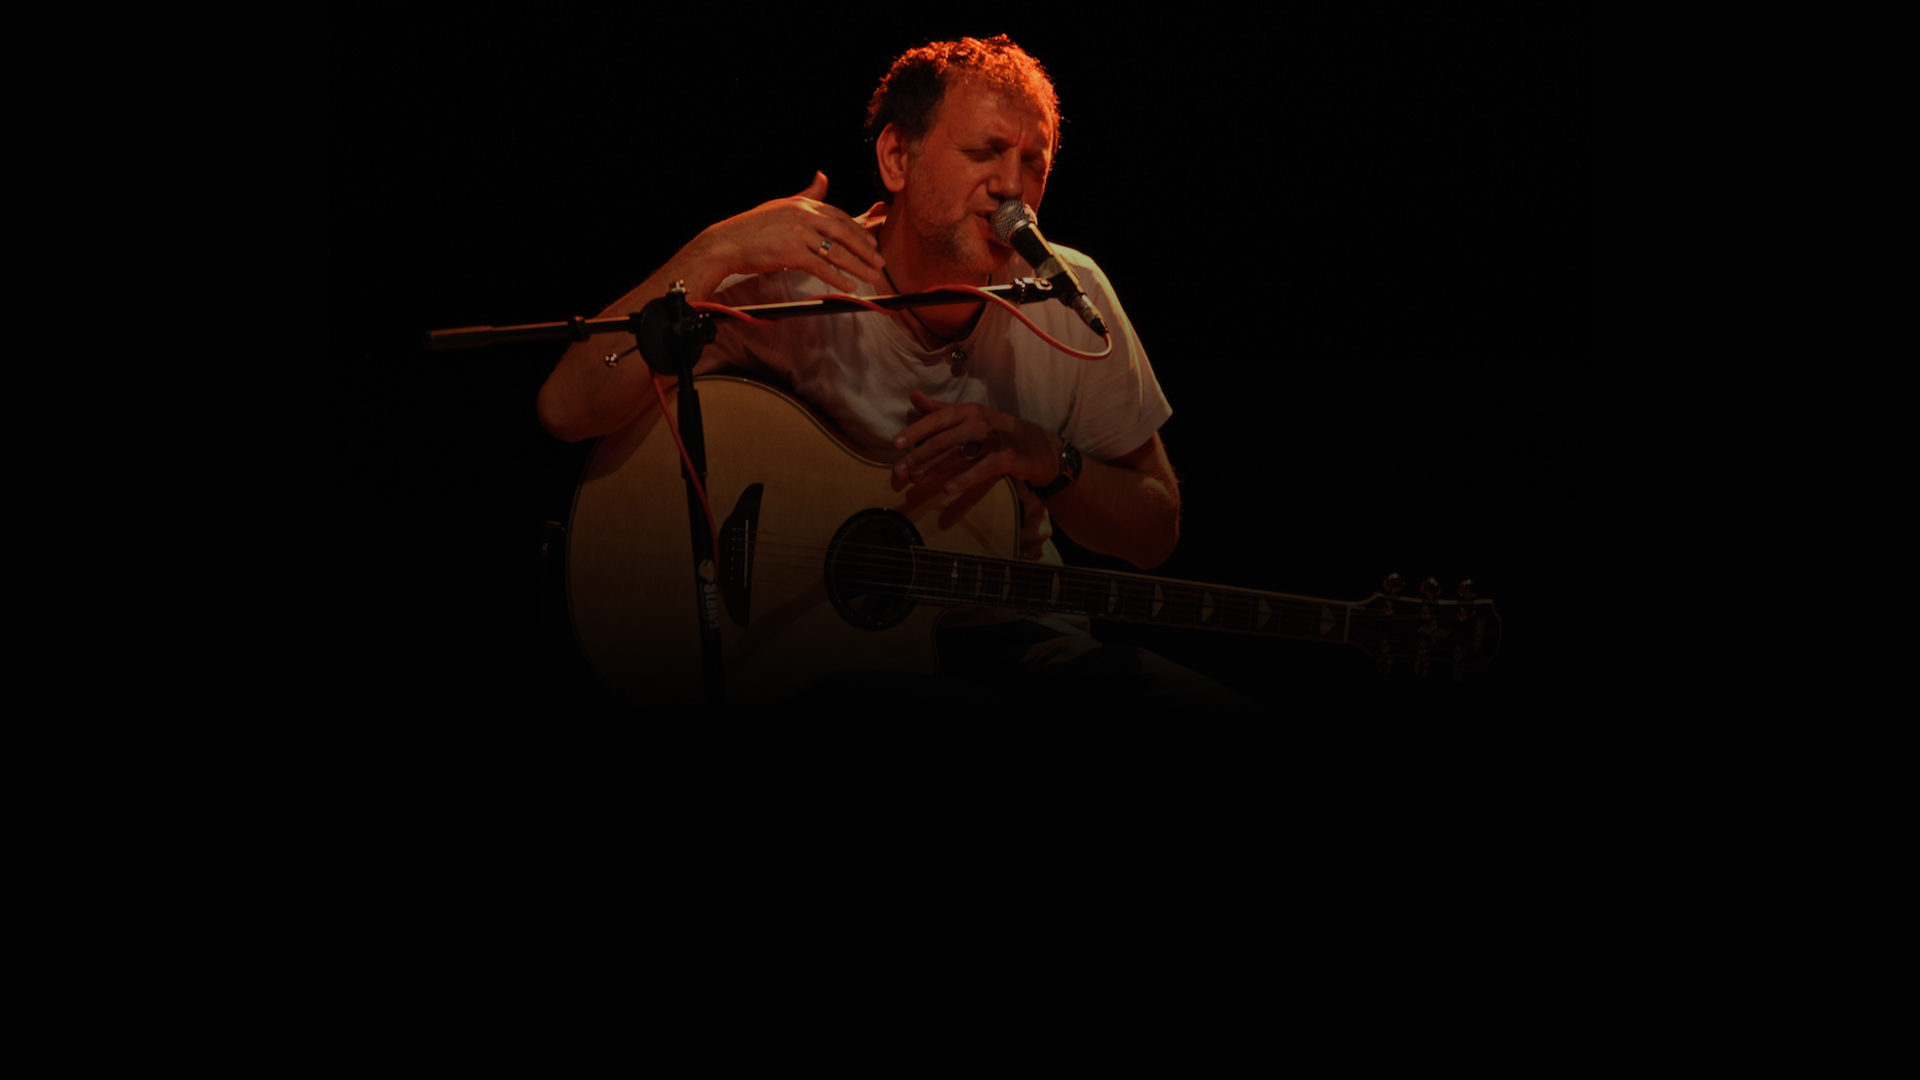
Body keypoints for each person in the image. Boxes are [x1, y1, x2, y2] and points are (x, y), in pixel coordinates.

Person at [539, 36, 1249, 709]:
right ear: (896, 159)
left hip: (1018, 642)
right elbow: (567, 408)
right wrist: (715, 251)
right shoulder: (796, 284)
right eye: (984, 152)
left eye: (1034, 163)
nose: (1013, 188)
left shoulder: (1070, 296)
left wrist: (1047, 457)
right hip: (823, 654)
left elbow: (1156, 529)